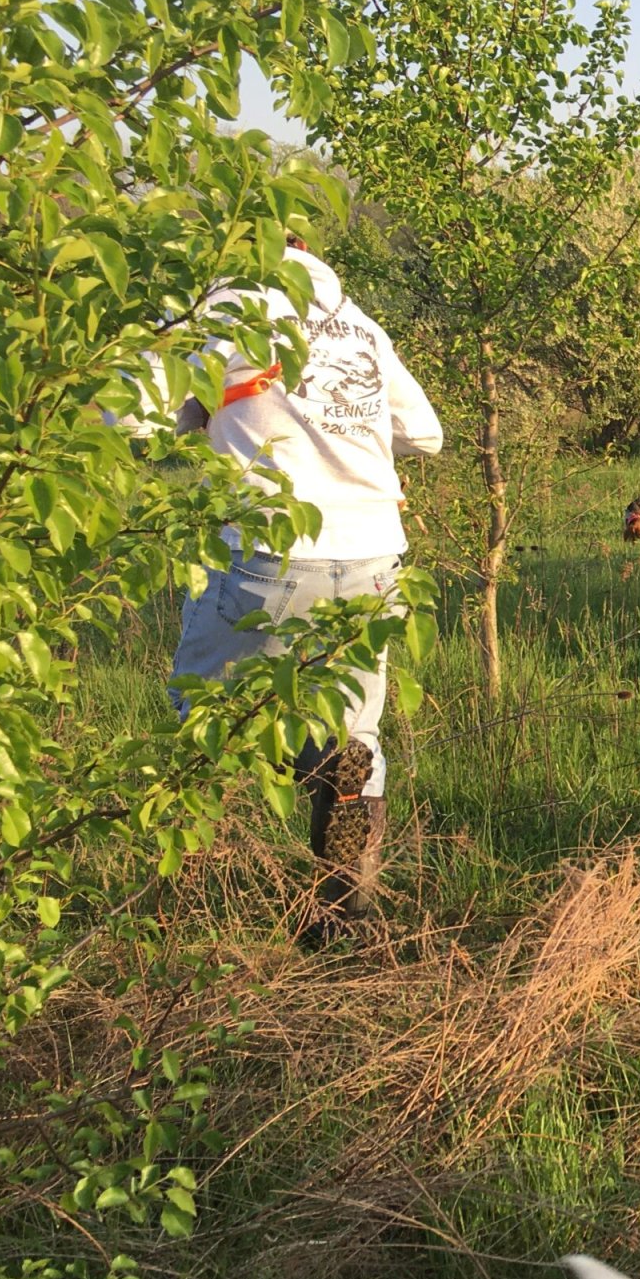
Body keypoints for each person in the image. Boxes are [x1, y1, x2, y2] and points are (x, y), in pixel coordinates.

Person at [168, 237, 443, 944]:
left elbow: (130, 416)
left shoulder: (222, 306)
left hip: (264, 555)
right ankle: (340, 916)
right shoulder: (358, 320)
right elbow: (425, 433)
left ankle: (191, 916)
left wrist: (202, 414)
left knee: (203, 725)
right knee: (355, 736)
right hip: (372, 557)